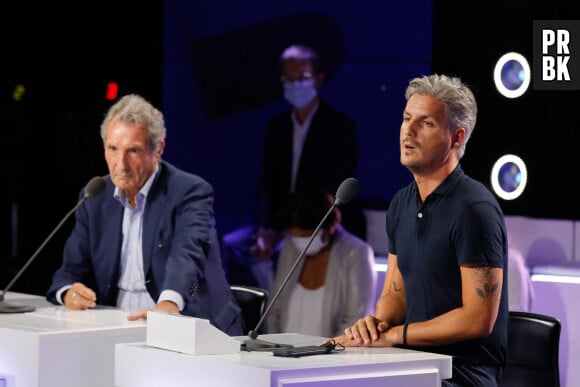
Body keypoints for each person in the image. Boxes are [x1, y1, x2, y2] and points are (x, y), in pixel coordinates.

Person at [335, 74, 509, 386]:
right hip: (411, 361)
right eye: (406, 119)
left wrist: (394, 335)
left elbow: (477, 319)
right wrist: (376, 325)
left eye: (426, 123)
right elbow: (394, 293)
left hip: (463, 373)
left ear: (456, 138)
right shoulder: (402, 203)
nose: (409, 131)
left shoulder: (474, 210)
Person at [46, 94, 244, 336]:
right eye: (113, 149)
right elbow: (68, 272)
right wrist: (68, 292)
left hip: (195, 326)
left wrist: (170, 302)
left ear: (158, 149)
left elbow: (189, 258)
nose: (121, 163)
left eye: (134, 151)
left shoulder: (190, 192)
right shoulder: (95, 197)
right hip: (120, 331)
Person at [222, 43, 365, 290]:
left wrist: (286, 229)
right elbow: (266, 185)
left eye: (303, 77)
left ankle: (283, 302)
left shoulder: (340, 126)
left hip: (318, 218)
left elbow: (333, 187)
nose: (295, 84)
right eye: (288, 78)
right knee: (231, 244)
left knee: (294, 246)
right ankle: (261, 310)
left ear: (319, 79)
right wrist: (263, 229)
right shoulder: (277, 126)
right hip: (279, 221)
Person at [266, 188, 376, 338]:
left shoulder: (357, 253)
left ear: (329, 227)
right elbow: (274, 309)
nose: (300, 242)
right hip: (283, 354)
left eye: (307, 236)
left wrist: (327, 353)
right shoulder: (290, 246)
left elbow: (356, 319)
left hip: (330, 356)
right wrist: (274, 347)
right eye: (294, 236)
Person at [507, 245, 534, 312]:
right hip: (522, 316)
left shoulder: (504, 258)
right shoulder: (518, 257)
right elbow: (531, 297)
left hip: (508, 315)